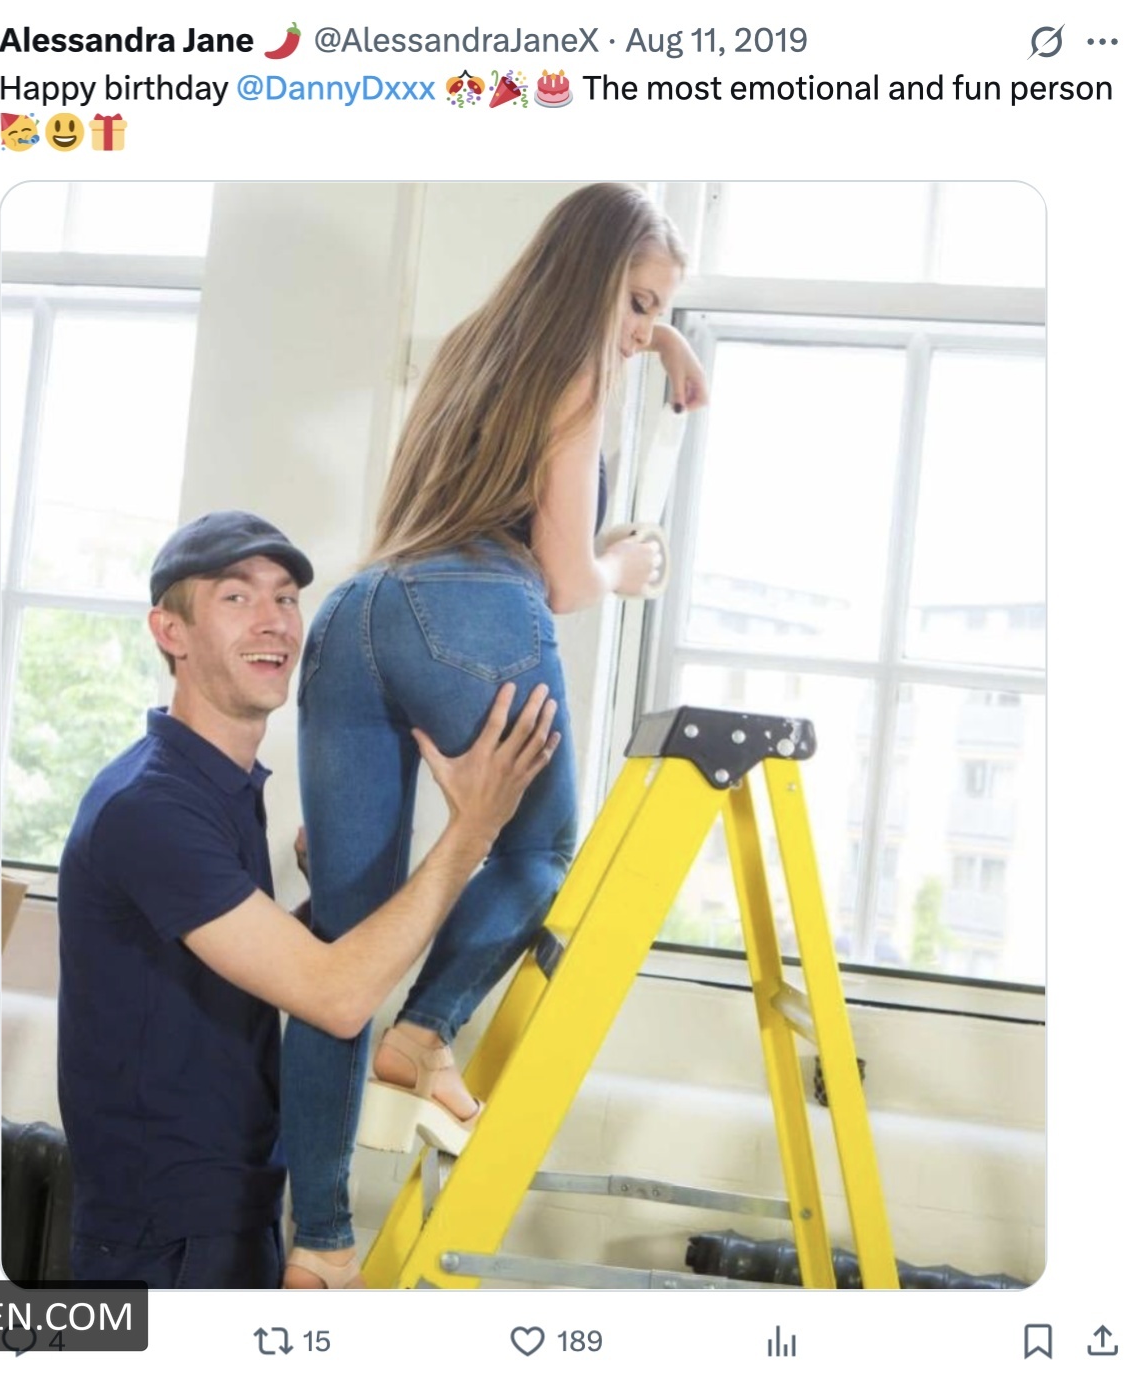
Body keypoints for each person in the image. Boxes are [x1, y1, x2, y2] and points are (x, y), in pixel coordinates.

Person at [284, 182, 709, 1288]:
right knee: (541, 851)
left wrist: (660, 340)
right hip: (477, 606)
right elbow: (565, 580)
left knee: (339, 956)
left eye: (656, 310)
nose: (640, 330)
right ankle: (425, 1032)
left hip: (359, 611)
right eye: (637, 304)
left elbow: (594, 332)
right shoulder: (579, 373)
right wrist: (625, 565)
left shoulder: (480, 345)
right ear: (593, 282)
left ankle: (317, 1240)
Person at [56, 510, 559, 1289]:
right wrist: (475, 828)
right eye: (236, 597)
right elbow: (336, 998)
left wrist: (321, 907)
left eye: (286, 598)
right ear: (170, 631)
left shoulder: (214, 787)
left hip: (234, 1215)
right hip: (164, 1245)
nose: (274, 621)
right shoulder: (151, 807)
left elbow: (232, 968)